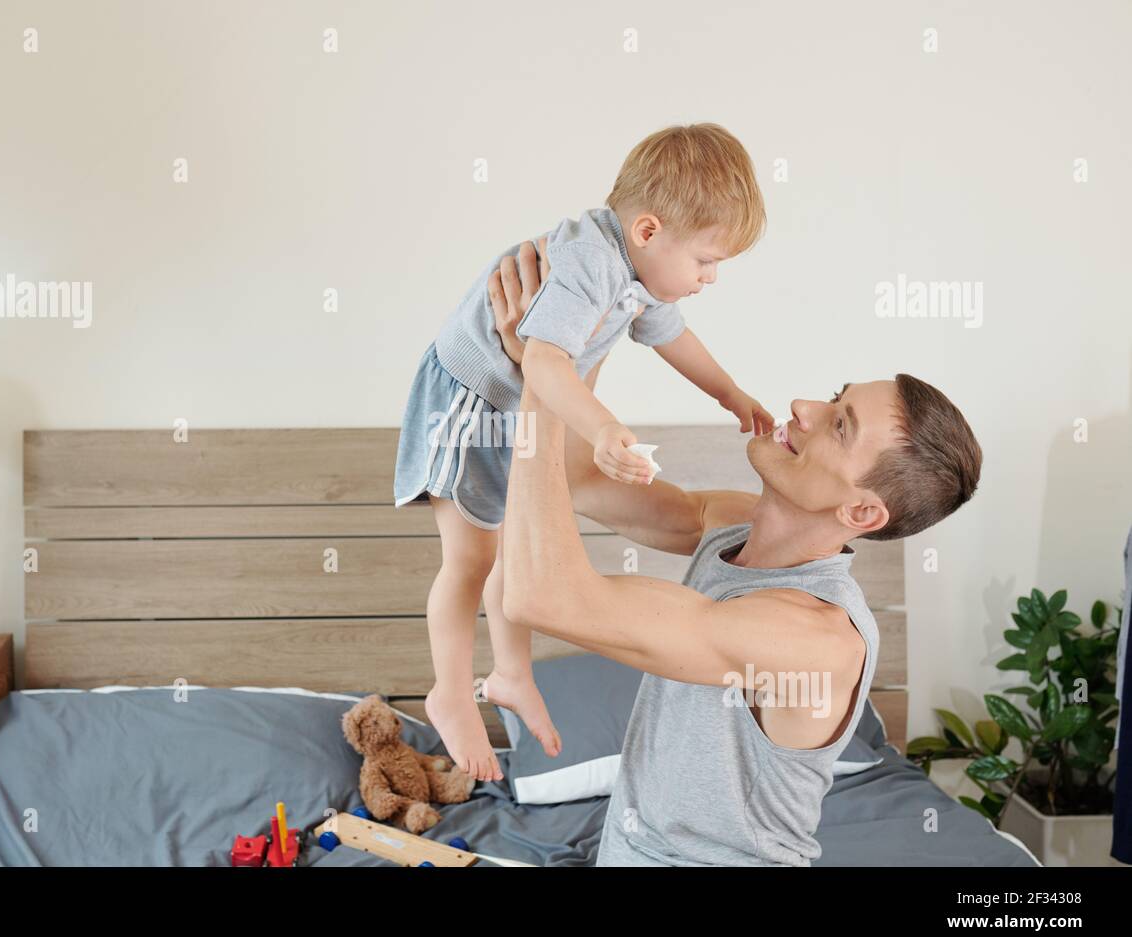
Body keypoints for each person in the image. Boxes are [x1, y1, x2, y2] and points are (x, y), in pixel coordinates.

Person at [489, 240, 984, 865]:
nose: (804, 406)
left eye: (838, 425)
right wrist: (574, 335)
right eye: (835, 396)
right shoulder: (731, 524)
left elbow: (544, 596)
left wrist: (544, 364)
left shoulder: (817, 640)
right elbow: (582, 479)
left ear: (861, 512)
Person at [393, 123, 773, 782]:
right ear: (649, 232)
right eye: (707, 260)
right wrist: (600, 429)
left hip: (513, 407)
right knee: (471, 555)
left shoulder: (636, 270)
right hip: (467, 401)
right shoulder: (589, 262)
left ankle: (511, 672)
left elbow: (672, 336)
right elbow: (542, 360)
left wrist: (730, 393)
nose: (710, 278)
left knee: (519, 547)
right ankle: (450, 691)